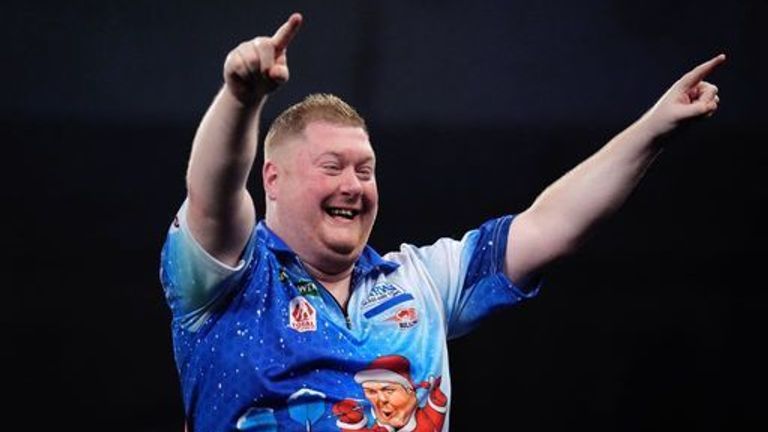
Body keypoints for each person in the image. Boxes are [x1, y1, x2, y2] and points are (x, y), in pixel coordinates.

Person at [159, 12, 724, 432]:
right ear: (273, 179)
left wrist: (654, 128)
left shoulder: (420, 282)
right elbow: (212, 195)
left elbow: (552, 225)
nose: (354, 186)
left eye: (366, 169)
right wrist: (241, 98)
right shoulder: (227, 280)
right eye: (332, 167)